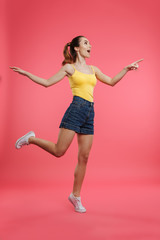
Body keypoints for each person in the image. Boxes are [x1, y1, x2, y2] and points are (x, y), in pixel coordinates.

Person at [10, 35, 143, 213]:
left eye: (90, 43)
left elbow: (111, 82)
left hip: (89, 112)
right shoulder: (69, 68)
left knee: (84, 157)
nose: (90, 45)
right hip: (76, 109)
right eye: (86, 43)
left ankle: (76, 196)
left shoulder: (93, 69)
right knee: (59, 151)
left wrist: (126, 69)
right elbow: (47, 83)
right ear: (77, 48)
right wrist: (27, 73)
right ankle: (31, 139)